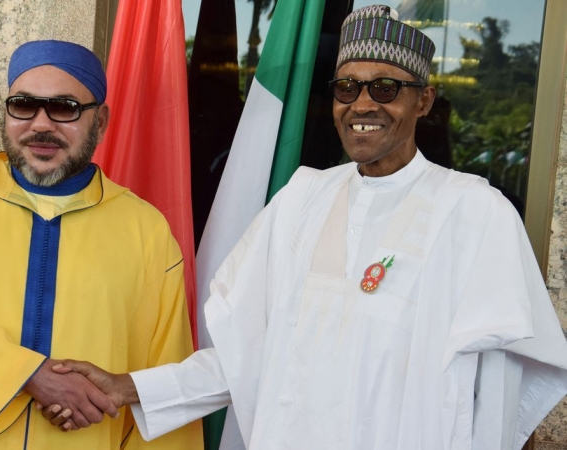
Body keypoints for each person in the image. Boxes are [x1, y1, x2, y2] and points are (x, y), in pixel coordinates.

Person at [42, 6, 567, 450]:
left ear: (423, 101)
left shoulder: (476, 213)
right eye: (347, 88)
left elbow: (503, 390)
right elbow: (244, 356)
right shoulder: (301, 200)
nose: (363, 104)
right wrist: (125, 388)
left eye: (386, 88)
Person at [0, 39, 202, 449]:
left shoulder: (146, 232)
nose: (41, 124)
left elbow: (163, 381)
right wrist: (27, 375)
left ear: (101, 121)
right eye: (23, 105)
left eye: (64, 108)